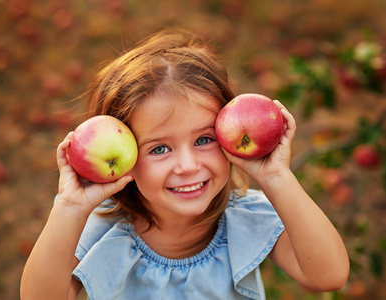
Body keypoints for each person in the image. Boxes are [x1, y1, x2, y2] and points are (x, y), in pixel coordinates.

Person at [20, 28, 350, 300]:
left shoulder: (244, 219)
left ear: (228, 134)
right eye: (160, 148)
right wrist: (70, 207)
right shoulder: (103, 227)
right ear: (126, 160)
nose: (188, 165)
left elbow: (328, 275)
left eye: (204, 140)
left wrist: (277, 176)